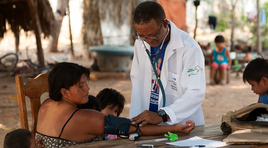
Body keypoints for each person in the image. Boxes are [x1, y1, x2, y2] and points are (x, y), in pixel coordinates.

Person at [35, 62, 195, 148]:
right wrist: (174, 128)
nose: (87, 89)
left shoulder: (46, 105)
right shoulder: (84, 118)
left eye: (86, 84)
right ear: (64, 92)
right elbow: (134, 127)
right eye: (80, 86)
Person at [129, 1, 206, 127]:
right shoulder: (140, 43)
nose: (148, 41)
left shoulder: (189, 48)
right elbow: (137, 82)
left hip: (180, 123)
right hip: (147, 123)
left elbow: (196, 92)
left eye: (152, 36)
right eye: (142, 36)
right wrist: (135, 119)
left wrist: (164, 115)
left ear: (165, 24)